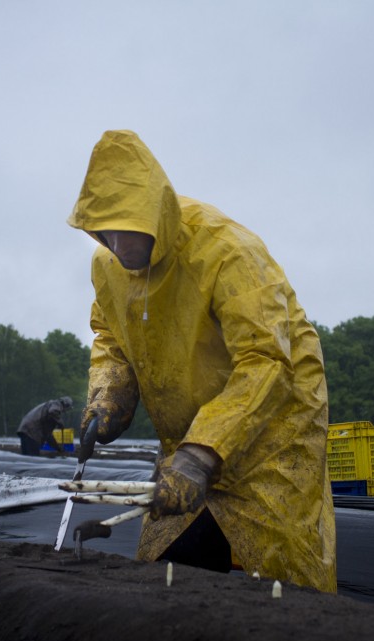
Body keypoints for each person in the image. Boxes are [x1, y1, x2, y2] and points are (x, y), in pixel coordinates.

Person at [66, 129, 337, 594]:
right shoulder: (107, 265)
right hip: (189, 431)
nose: (114, 243)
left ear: (155, 213)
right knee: (173, 564)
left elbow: (267, 358)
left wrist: (202, 453)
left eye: (124, 229)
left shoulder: (227, 250)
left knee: (282, 578)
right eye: (101, 230)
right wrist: (109, 395)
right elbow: (111, 336)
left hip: (272, 431)